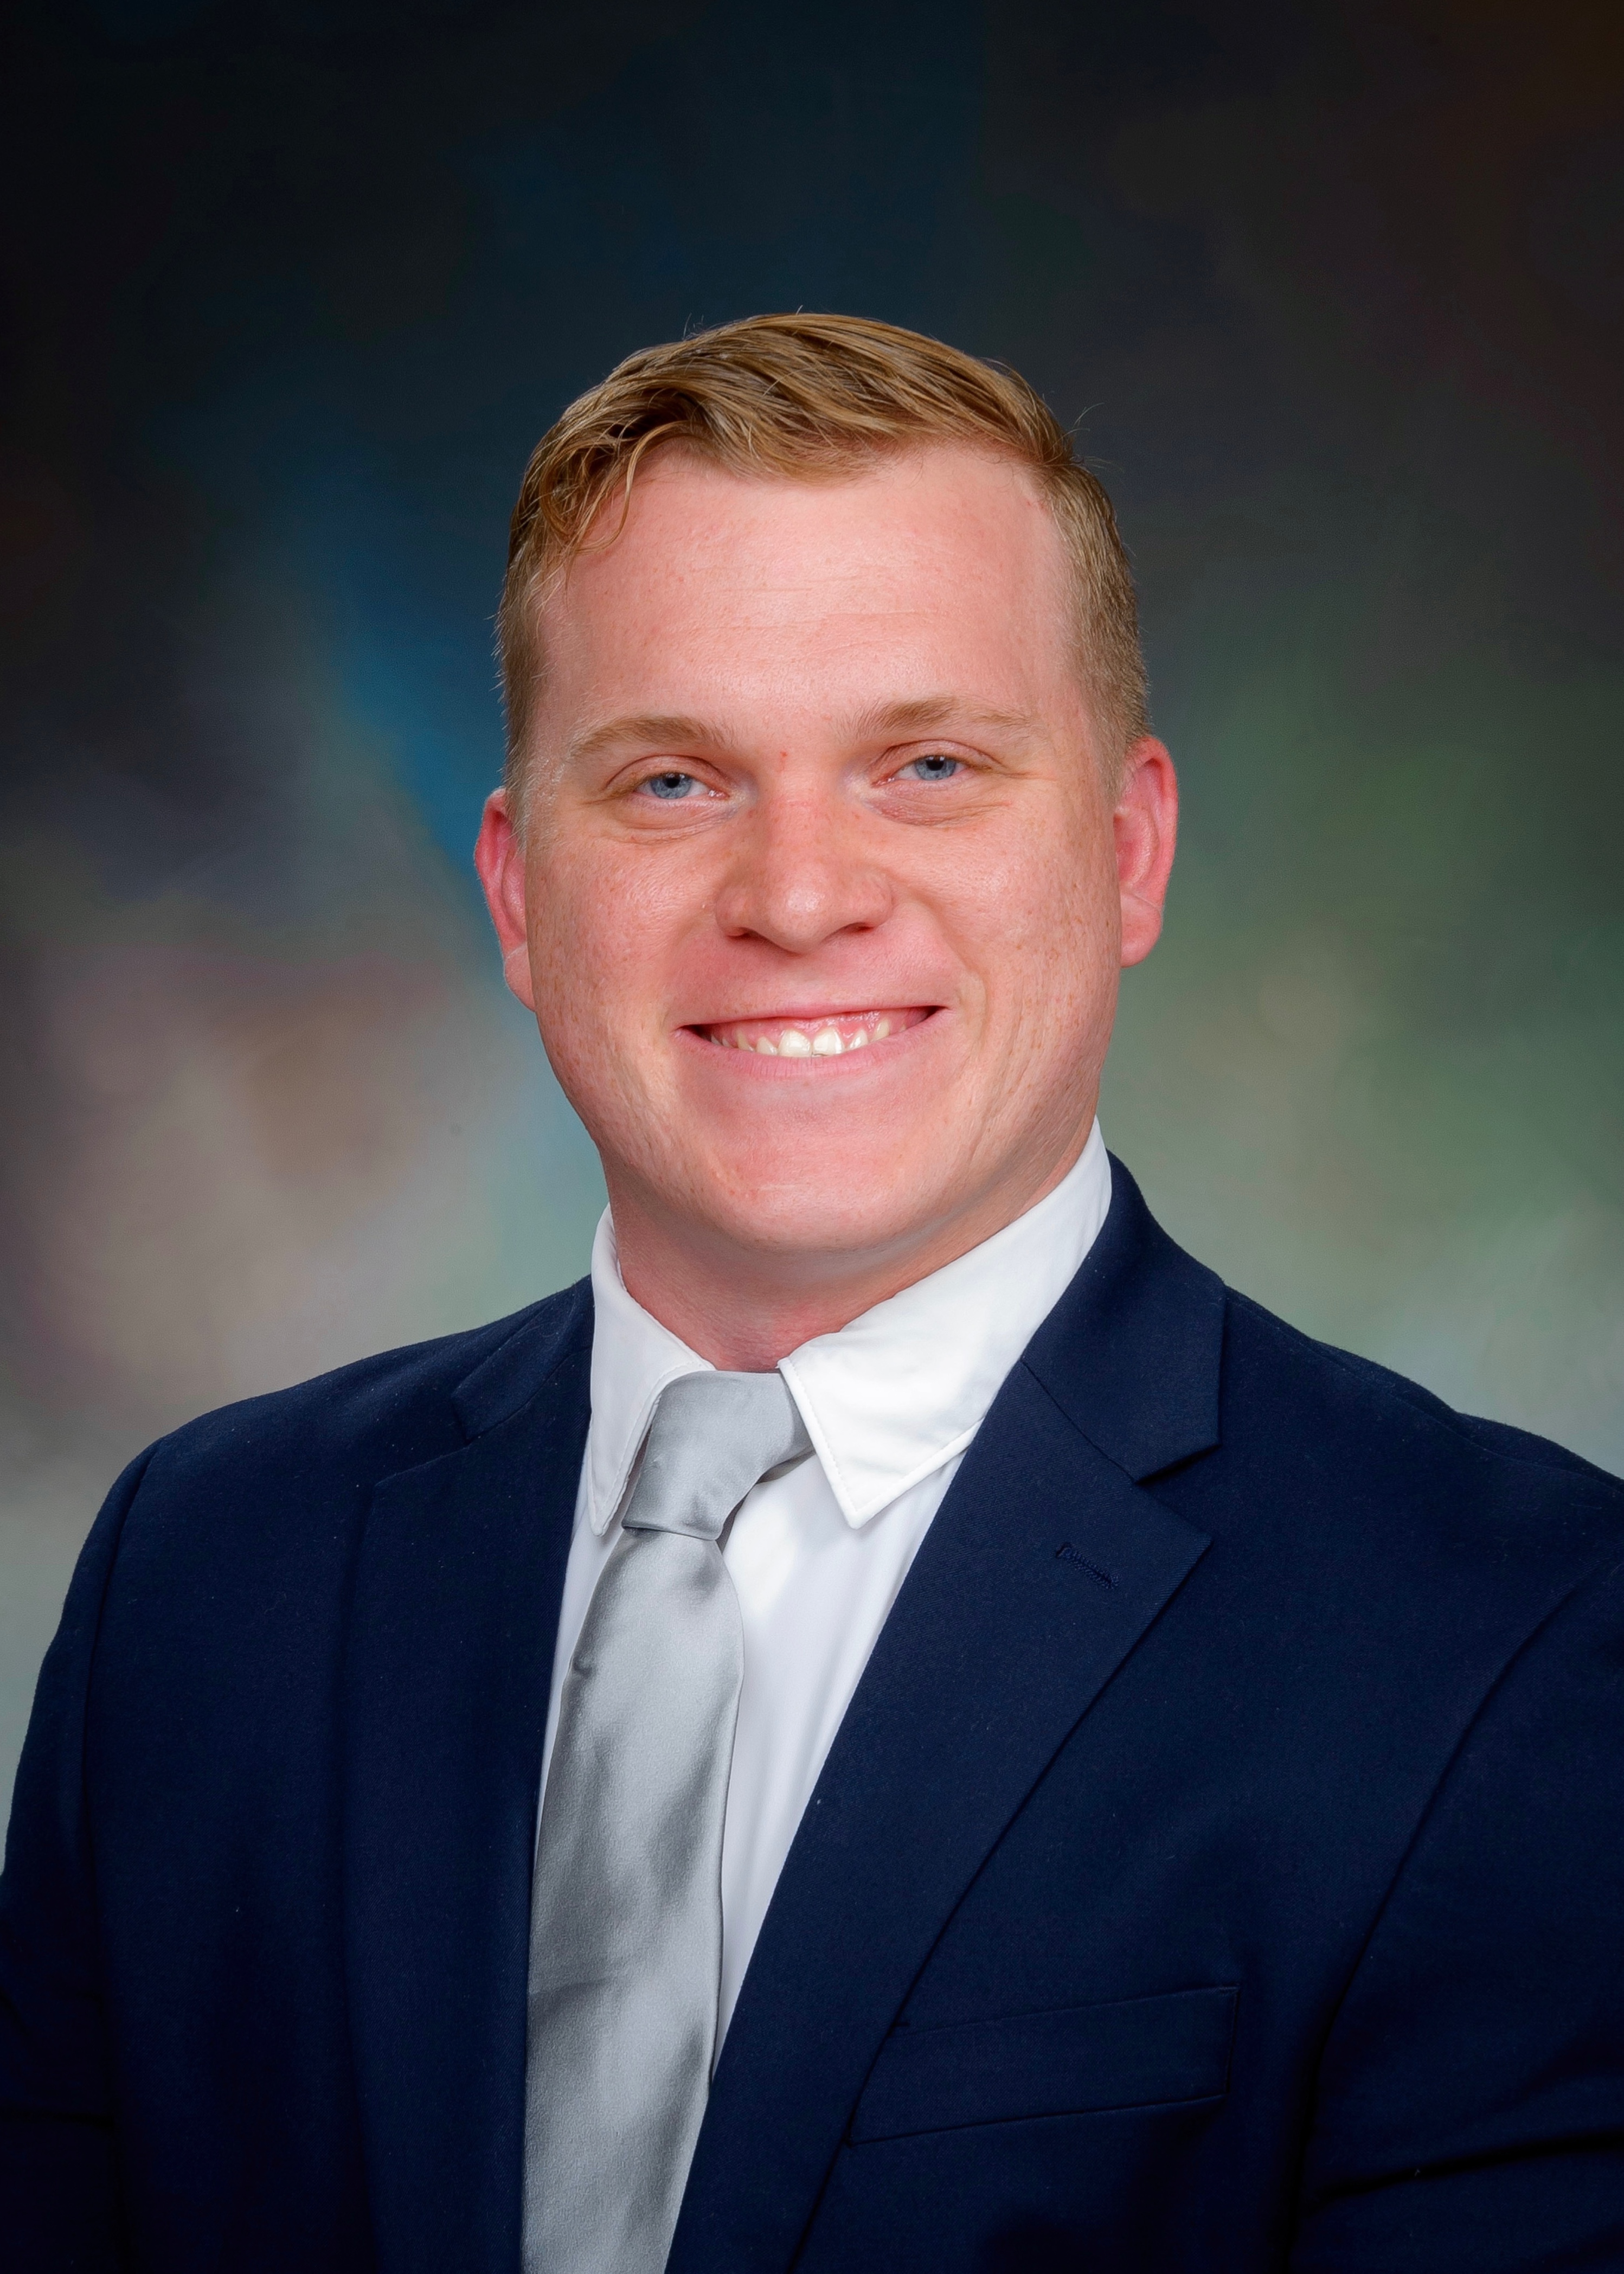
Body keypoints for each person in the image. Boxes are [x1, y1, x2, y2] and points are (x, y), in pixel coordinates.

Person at [2, 313, 1621, 2274]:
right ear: (518, 892)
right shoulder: (199, 1577)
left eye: (926, 764)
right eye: (673, 780)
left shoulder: (1516, 1636)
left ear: (1126, 851)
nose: (794, 894)